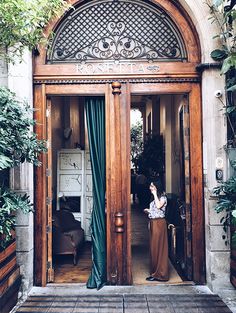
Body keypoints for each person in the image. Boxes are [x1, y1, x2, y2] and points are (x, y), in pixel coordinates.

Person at [144, 181, 169, 281]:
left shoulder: (163, 198)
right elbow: (156, 210)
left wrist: (154, 194)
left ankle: (161, 274)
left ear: (157, 187)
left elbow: (159, 206)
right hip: (153, 223)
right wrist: (148, 211)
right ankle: (154, 273)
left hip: (159, 224)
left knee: (159, 248)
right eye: (150, 186)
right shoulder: (153, 199)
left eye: (152, 186)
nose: (150, 188)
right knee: (154, 248)